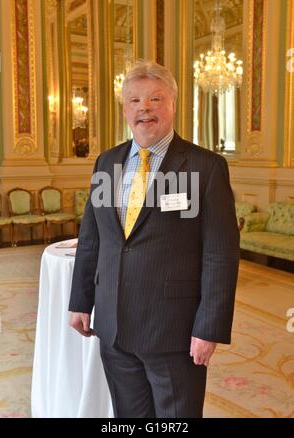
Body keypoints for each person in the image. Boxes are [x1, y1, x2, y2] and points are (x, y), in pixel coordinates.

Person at [69, 59, 239, 418]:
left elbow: (220, 255)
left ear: (173, 105)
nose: (144, 109)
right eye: (134, 101)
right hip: (113, 327)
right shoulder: (107, 163)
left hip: (174, 331)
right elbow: (92, 238)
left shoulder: (204, 167)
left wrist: (209, 327)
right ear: (124, 109)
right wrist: (81, 300)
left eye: (155, 99)